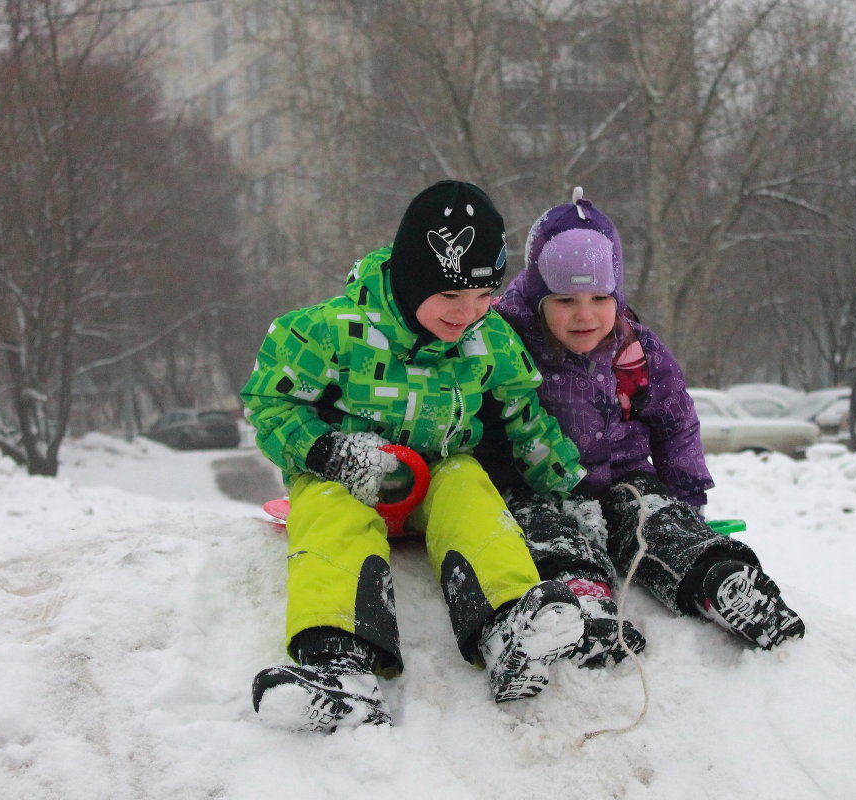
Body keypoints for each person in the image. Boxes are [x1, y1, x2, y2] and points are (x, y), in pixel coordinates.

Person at [240, 180, 592, 733]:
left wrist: (568, 481)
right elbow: (268, 402)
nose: (468, 313)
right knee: (330, 512)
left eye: (484, 297)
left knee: (470, 484)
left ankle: (508, 624)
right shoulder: (329, 332)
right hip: (350, 473)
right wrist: (327, 452)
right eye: (451, 297)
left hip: (438, 472)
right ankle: (341, 665)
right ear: (410, 279)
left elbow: (525, 418)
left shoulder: (491, 340)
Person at [484, 187, 805, 660]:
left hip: (622, 479)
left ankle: (719, 580)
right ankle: (584, 604)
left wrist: (687, 495)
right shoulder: (504, 344)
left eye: (599, 297)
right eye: (565, 301)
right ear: (536, 296)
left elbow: (675, 422)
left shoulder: (635, 350)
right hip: (537, 484)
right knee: (548, 535)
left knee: (654, 520)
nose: (585, 315)